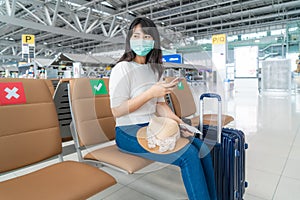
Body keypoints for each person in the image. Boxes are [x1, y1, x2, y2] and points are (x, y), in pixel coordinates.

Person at [109, 17, 217, 200]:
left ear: (154, 42)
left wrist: (181, 123)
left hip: (153, 126)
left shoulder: (154, 70)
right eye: (136, 36)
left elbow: (161, 106)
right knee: (188, 156)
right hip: (127, 131)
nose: (141, 41)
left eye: (146, 37)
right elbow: (117, 111)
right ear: (129, 39)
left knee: (201, 148)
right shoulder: (122, 68)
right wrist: (151, 92)